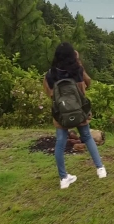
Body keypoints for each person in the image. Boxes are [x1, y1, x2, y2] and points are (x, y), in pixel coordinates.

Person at [43, 42, 106, 189]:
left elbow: (49, 92)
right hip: (79, 110)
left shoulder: (51, 74)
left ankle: (64, 178)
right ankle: (100, 169)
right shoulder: (77, 70)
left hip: (61, 114)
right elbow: (88, 83)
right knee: (87, 136)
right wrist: (78, 61)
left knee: (60, 141)